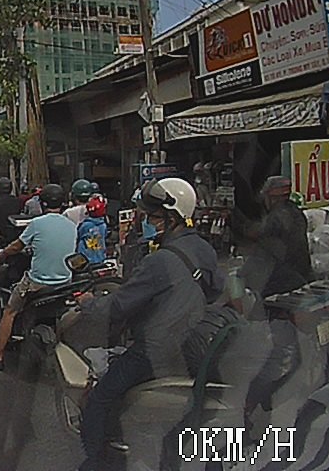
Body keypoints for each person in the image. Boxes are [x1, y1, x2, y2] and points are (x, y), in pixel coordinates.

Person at [71, 177, 225, 471]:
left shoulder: (159, 261)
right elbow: (214, 289)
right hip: (193, 346)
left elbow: (117, 306)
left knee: (100, 399)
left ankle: (98, 462)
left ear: (172, 218)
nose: (148, 223)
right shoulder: (203, 248)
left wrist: (88, 303)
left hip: (155, 349)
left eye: (153, 217)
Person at [0, 183, 77, 372]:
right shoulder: (71, 225)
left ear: (42, 203)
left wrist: (1, 253)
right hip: (65, 283)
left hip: (37, 283)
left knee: (10, 311)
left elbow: (17, 246)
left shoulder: (37, 223)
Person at [234, 176, 314, 302]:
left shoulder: (277, 217)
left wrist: (234, 220)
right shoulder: (296, 212)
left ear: (272, 197)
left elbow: (258, 237)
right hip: (302, 274)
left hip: (284, 280)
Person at [77, 196, 109, 265]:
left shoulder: (85, 225)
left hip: (85, 261)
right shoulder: (103, 225)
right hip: (100, 259)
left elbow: (78, 237)